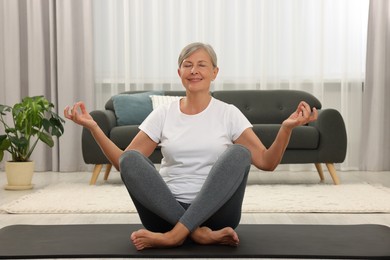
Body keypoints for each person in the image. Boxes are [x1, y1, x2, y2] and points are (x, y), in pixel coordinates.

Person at [64, 42, 318, 250]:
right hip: (163, 213)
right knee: (131, 158)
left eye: (201, 65)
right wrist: (94, 128)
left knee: (240, 153)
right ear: (179, 73)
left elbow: (266, 162)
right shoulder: (163, 114)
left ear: (215, 72)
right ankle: (195, 233)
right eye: (188, 65)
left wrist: (286, 129)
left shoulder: (228, 113)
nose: (194, 70)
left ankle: (175, 236)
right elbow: (125, 164)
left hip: (218, 215)